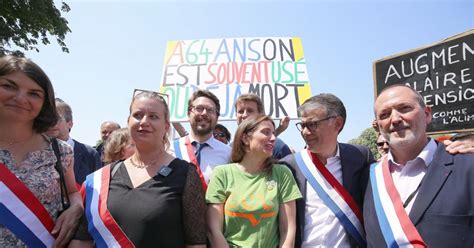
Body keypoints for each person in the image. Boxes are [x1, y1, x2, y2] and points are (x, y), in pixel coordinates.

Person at [70, 89, 206, 247]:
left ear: (166, 126)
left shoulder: (185, 174)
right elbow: (82, 240)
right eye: (138, 115)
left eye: (153, 117)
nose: (144, 122)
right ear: (128, 122)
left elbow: (196, 243)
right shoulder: (102, 179)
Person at [364, 85, 474, 247]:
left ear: (427, 114)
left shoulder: (468, 166)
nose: (395, 119)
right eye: (385, 114)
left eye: (405, 108)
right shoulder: (367, 178)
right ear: (379, 126)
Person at [0, 55, 83, 247]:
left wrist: (77, 207)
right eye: (9, 86)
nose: (21, 98)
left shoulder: (59, 151)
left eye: (34, 93)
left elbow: (72, 192)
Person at [281, 93, 375, 247]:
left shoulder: (360, 157)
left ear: (337, 123)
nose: (305, 132)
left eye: (312, 124)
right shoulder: (288, 165)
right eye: (302, 125)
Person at [206, 115, 302, 247]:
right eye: (266, 132)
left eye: (274, 133)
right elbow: (213, 229)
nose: (273, 138)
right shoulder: (221, 174)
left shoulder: (282, 173)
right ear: (245, 138)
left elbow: (288, 230)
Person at [172, 89, 231, 190]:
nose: (204, 113)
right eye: (199, 108)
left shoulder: (229, 154)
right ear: (188, 113)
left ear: (217, 118)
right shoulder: (169, 149)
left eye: (210, 110)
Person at [46, 98, 102, 185]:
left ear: (70, 123)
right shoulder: (34, 153)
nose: (50, 123)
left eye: (56, 118)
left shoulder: (90, 154)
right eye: (46, 119)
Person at [235, 93, 292, 159]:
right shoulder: (229, 149)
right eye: (241, 111)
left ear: (261, 115)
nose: (244, 115)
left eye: (250, 111)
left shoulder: (278, 148)